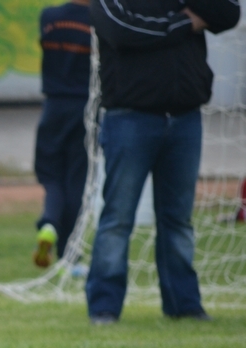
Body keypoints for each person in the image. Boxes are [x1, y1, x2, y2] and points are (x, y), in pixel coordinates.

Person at [86, 0, 241, 324]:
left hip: (185, 117)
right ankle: (104, 307)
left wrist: (165, 25)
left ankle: (184, 304)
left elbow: (228, 13)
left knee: (178, 220)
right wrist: (183, 24)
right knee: (118, 217)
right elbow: (122, 32)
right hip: (130, 117)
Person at [32, 0, 91, 269]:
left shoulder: (49, 17)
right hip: (84, 108)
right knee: (76, 180)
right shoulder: (96, 23)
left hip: (53, 107)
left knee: (51, 176)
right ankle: (71, 255)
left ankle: (49, 223)